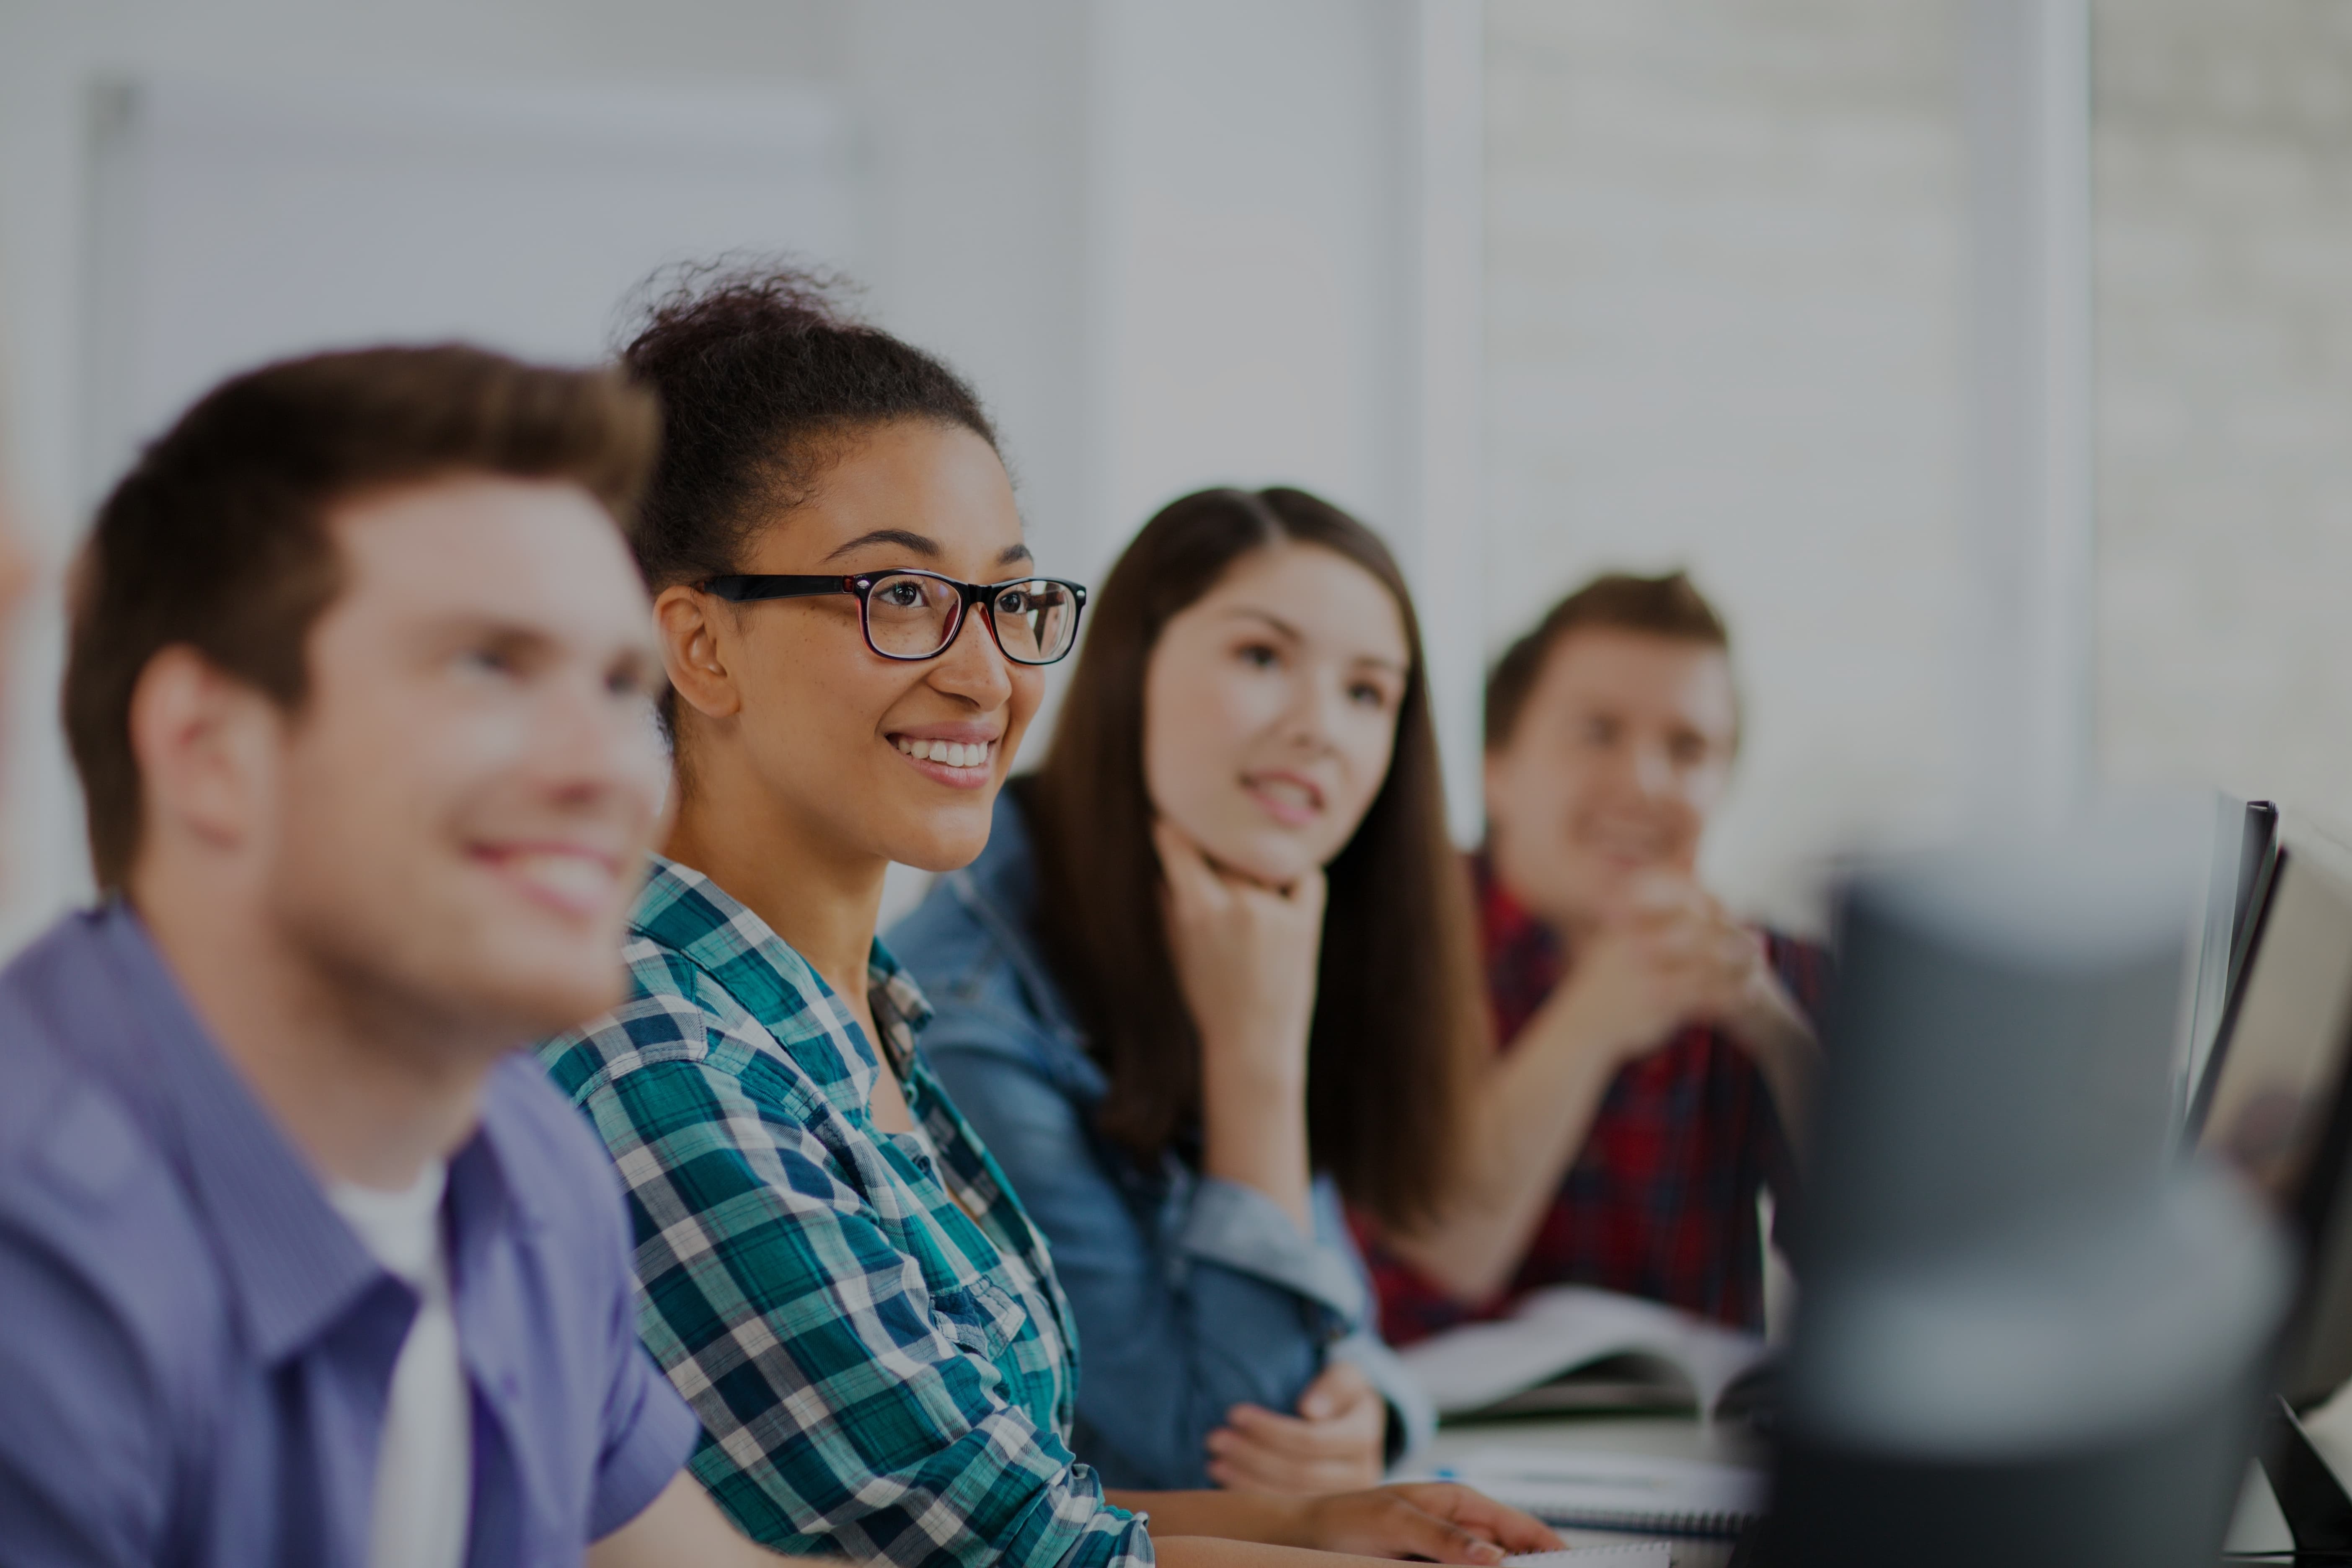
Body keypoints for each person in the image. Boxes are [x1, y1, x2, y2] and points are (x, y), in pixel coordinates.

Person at [534, 266, 1558, 1568]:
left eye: (1009, 601)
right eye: (898, 598)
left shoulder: (852, 1021)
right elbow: (1007, 1563)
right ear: (700, 646)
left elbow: (1005, 1501)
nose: (986, 675)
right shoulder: (659, 1053)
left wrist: (1310, 1516)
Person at [0, 345, 825, 1565]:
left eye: (615, 685)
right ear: (208, 748)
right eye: (488, 665)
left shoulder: (528, 1158)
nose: (607, 770)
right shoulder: (38, 1256)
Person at [888, 487, 1480, 1493]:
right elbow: (1209, 1454)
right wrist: (1255, 1068)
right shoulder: (968, 1013)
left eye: (1366, 693)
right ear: (1132, 670)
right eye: (1260, 658)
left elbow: (1334, 1338)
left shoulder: (1250, 919)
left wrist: (1377, 1410)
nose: (1319, 730)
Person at [1359, 572, 1830, 1342]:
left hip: (1680, 1452)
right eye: (1597, 733)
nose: (1644, 784)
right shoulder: (1391, 941)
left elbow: (1892, 1274)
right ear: (1497, 768)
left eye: (1688, 749)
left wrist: (1777, 1037)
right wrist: (1590, 1023)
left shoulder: (1774, 974)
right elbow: (1415, 1276)